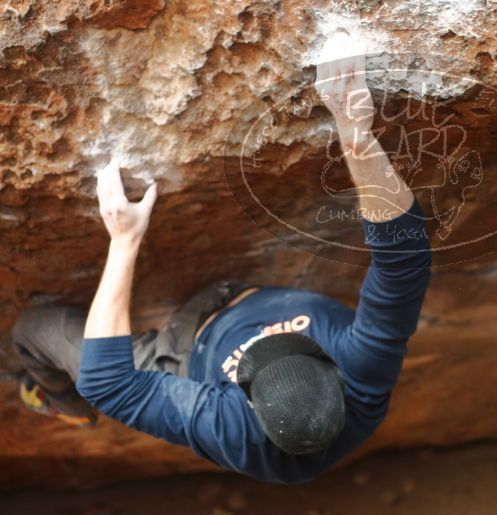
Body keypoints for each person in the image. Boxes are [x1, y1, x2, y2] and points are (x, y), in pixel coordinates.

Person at [10, 51, 432, 484]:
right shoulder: (364, 369)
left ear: (244, 403)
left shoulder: (233, 433)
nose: (266, 340)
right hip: (249, 293)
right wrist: (354, 133)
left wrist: (124, 240)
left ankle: (65, 405)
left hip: (180, 355)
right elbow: (404, 258)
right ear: (334, 369)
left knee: (34, 328)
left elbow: (108, 385)